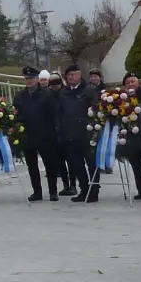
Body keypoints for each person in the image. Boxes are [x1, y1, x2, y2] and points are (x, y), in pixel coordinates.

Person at [14, 67, 62, 201]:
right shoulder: (20, 96)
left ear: (37, 79)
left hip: (45, 135)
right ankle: (37, 192)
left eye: (31, 78)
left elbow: (54, 113)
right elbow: (16, 114)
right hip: (28, 135)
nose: (29, 81)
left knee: (49, 164)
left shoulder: (47, 94)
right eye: (26, 79)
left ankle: (53, 191)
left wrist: (55, 132)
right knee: (32, 165)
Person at [57, 65, 94, 198]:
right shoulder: (64, 92)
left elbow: (95, 110)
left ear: (79, 75)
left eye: (73, 74)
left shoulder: (88, 90)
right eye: (68, 75)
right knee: (77, 164)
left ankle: (94, 191)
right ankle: (84, 190)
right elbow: (59, 113)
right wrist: (60, 131)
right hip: (70, 135)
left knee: (91, 164)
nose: (70, 77)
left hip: (87, 134)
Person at [120, 73, 141, 199]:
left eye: (133, 81)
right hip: (131, 136)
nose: (130, 84)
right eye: (127, 83)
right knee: (136, 165)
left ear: (138, 83)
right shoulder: (122, 98)